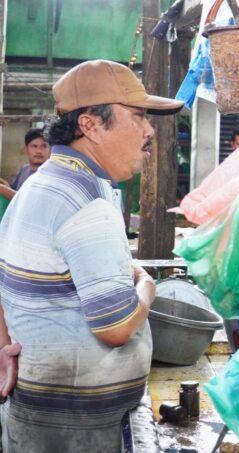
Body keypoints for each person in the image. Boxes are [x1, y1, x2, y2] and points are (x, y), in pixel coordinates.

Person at [0, 59, 183, 452]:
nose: (149, 130)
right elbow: (115, 329)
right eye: (137, 117)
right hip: (76, 427)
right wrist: (147, 285)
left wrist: (4, 345)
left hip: (42, 411)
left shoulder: (44, 183)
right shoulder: (84, 203)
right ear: (91, 125)